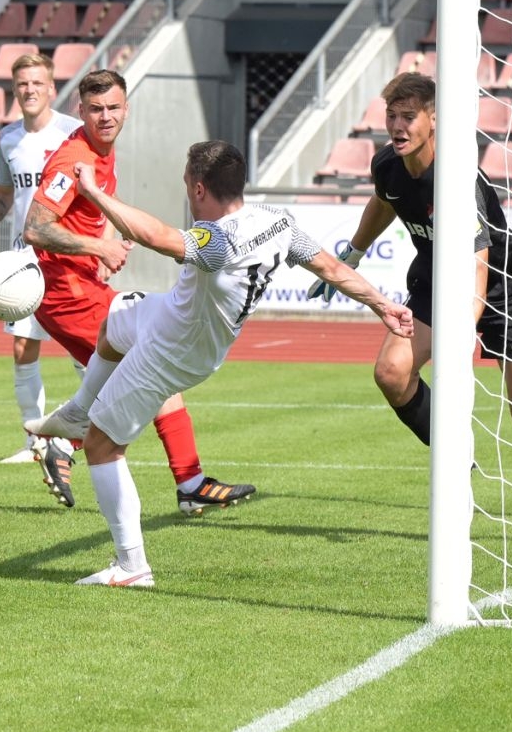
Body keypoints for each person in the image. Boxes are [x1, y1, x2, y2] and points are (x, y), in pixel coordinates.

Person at [29, 141, 413, 586]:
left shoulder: (218, 241)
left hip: (172, 352)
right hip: (175, 318)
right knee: (116, 322)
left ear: (198, 189)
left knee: (103, 446)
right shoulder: (277, 220)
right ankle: (79, 411)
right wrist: (383, 305)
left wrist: (94, 192)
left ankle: (131, 567)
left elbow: (154, 235)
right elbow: (331, 267)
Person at [308, 72, 512, 544]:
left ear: (433, 120)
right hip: (435, 280)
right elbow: (383, 202)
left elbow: (478, 263)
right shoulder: (387, 164)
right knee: (392, 372)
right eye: (391, 116)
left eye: (408, 116)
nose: (397, 126)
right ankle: (455, 455)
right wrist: (353, 252)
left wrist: (464, 328)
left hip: (502, 289)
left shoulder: (457, 177)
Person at [23, 69, 256, 516]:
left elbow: (90, 213)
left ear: (127, 108)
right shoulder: (73, 158)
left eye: (113, 107)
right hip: (66, 294)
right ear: (80, 110)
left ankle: (69, 444)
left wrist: (103, 245)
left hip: (86, 285)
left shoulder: (101, 151)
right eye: (95, 109)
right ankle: (185, 483)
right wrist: (99, 247)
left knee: (144, 370)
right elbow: (35, 228)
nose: (105, 117)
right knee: (156, 363)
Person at [0, 51, 82, 465]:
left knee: (84, 348)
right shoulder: (8, 138)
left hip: (68, 255)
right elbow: (3, 195)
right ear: (15, 89)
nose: (29, 90)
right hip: (24, 261)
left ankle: (96, 434)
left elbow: (96, 192)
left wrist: (100, 245)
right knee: (23, 347)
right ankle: (37, 443)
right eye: (22, 84)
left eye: (37, 83)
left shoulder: (73, 134)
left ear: (51, 88)